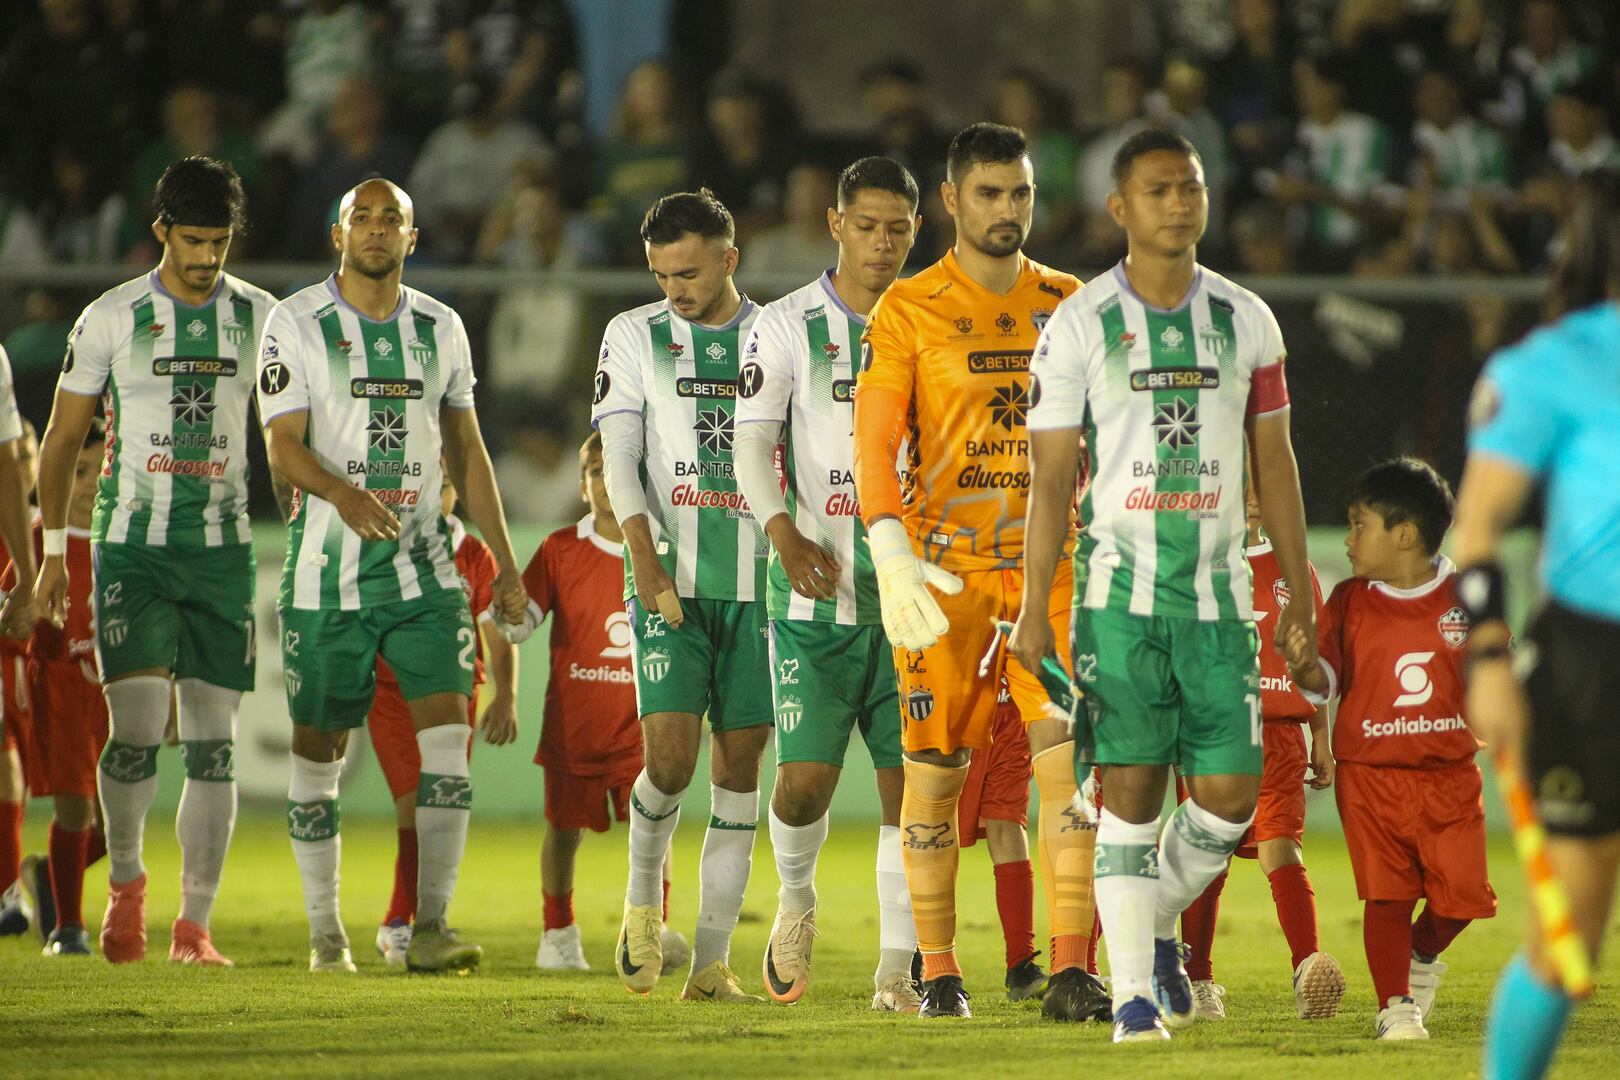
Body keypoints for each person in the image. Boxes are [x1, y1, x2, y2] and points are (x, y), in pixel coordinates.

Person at [1010, 127, 1315, 1042]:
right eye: (1158, 189)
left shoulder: (1248, 318)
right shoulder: (1079, 323)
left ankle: (1148, 935)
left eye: (1189, 186)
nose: (1178, 202)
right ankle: (1135, 997)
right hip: (1119, 603)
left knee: (1228, 799)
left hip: (1222, 603)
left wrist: (1297, 591)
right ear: (1120, 208)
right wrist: (1034, 607)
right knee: (1136, 790)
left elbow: (1278, 462)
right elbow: (1052, 479)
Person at [853, 122, 1104, 1023]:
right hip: (944, 578)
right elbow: (874, 447)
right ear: (952, 201)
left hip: (1054, 573)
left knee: (1069, 769)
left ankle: (1074, 968)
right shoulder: (908, 309)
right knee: (936, 775)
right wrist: (890, 557)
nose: (1008, 210)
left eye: (1022, 194)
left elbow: (1109, 442)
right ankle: (941, 971)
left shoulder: (1073, 303)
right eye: (990, 194)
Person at [257, 176, 527, 974]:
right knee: (319, 753)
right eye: (361, 218)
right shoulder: (294, 321)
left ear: (413, 239)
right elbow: (282, 444)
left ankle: (432, 925)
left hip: (425, 572)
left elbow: (468, 452)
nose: (376, 230)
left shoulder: (441, 327)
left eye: (393, 220)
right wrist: (340, 493)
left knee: (447, 744)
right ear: (338, 234)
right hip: (324, 580)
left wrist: (507, 564)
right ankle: (325, 933)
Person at [33, 157, 276, 967]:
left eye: (220, 241)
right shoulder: (111, 316)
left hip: (224, 553)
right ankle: (127, 885)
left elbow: (290, 435)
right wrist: (57, 554)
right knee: (135, 728)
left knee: (214, 742)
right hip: (131, 548)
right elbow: (63, 441)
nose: (208, 258)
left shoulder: (263, 318)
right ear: (160, 231)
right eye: (193, 240)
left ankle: (193, 926)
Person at [731, 155, 922, 1010]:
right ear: (836, 223)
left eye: (899, 228)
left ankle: (896, 969)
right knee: (804, 782)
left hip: (917, 596)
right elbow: (749, 441)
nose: (882, 243)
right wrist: (782, 533)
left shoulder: (935, 318)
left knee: (909, 788)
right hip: (815, 594)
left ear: (917, 231)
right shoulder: (782, 324)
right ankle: (797, 902)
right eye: (868, 224)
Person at [591, 188, 769, 1003]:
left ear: (730, 259)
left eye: (689, 272)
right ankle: (639, 903)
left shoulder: (779, 336)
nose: (675, 289)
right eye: (662, 274)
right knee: (669, 758)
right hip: (667, 577)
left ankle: (710, 961)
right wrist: (641, 554)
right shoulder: (633, 335)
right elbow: (619, 451)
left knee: (738, 771)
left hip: (760, 585)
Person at [1465, 169, 1620, 1080]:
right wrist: (1488, 663)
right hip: (1588, 661)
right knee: (1572, 929)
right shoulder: (1551, 364)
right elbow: (1477, 530)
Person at [1281, 458, 1495, 1041]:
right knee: (1387, 896)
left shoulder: (1467, 595)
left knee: (1462, 900)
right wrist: (1304, 664)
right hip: (1370, 777)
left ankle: (1421, 956)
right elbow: (1323, 679)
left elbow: (1496, 670)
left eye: (1359, 526)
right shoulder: (1349, 601)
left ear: (1404, 535)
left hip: (1449, 776)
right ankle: (1394, 1006)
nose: (1348, 540)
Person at [501, 431, 687, 973]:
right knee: (563, 831)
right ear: (582, 487)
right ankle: (558, 933)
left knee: (654, 823)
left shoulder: (663, 549)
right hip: (574, 726)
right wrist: (507, 610)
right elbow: (517, 625)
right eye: (596, 472)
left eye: (617, 470)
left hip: (641, 724)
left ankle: (650, 926)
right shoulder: (560, 549)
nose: (606, 483)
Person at [1176, 482, 1344, 1021]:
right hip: (1209, 731)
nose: (1252, 492)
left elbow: (1310, 654)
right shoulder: (1195, 561)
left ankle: (1306, 968)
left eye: (1259, 481)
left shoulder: (1295, 568)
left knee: (1280, 846)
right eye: (1240, 479)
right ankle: (1198, 981)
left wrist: (1320, 732)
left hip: (1278, 734)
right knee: (1207, 859)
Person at [366, 470, 518, 965]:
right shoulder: (387, 538)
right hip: (389, 693)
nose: (442, 492)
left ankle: (421, 920)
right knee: (412, 803)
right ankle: (400, 922)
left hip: (457, 692)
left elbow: (495, 631)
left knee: (437, 801)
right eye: (436, 480)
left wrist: (506, 694)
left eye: (451, 483)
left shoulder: (473, 553)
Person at [4, 425, 107, 954]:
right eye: (76, 472)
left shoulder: (126, 535)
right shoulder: (46, 538)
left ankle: (46, 875)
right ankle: (69, 928)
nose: (87, 485)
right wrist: (23, 619)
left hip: (112, 689)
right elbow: (11, 612)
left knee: (113, 824)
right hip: (62, 685)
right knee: (76, 809)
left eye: (97, 470)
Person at [957, 693, 1048, 1002]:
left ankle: (1021, 965)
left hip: (1013, 707)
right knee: (935, 830)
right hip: (954, 705)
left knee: (1008, 824)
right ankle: (924, 957)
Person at [0, 403, 41, 937]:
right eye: (18, 453)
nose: (24, 463)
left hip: (31, 679)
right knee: (7, 771)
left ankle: (27, 880)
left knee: (19, 782)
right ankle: (11, 891)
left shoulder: (44, 531)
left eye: (29, 454)